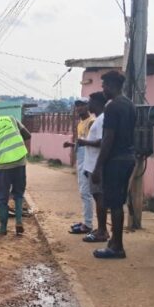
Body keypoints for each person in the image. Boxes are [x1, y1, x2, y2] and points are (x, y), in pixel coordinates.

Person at [91, 70, 137, 259]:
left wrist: (98, 166)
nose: (102, 90)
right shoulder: (130, 105)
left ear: (111, 85)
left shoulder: (111, 107)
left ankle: (117, 247)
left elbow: (108, 139)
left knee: (114, 204)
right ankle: (114, 241)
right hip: (128, 158)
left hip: (115, 161)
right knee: (119, 202)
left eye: (103, 86)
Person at [0, 106, 32, 236]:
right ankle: (19, 222)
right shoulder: (11, 119)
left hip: (4, 165)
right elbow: (27, 135)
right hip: (20, 161)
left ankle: (3, 228)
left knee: (1, 198)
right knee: (19, 194)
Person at [79, 92, 109, 244]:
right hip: (92, 165)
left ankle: (102, 231)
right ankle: (101, 228)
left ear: (97, 103)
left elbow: (103, 142)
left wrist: (85, 143)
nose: (88, 105)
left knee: (100, 198)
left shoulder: (102, 119)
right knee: (97, 197)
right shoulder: (99, 119)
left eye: (90, 102)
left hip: (97, 166)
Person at [63, 99, 94, 234]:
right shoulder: (80, 124)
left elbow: (92, 142)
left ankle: (88, 224)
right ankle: (86, 221)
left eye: (82, 105)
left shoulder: (91, 122)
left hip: (87, 159)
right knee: (83, 192)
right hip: (81, 159)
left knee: (86, 193)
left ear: (88, 106)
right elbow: (81, 141)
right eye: (77, 106)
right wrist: (71, 145)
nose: (79, 108)